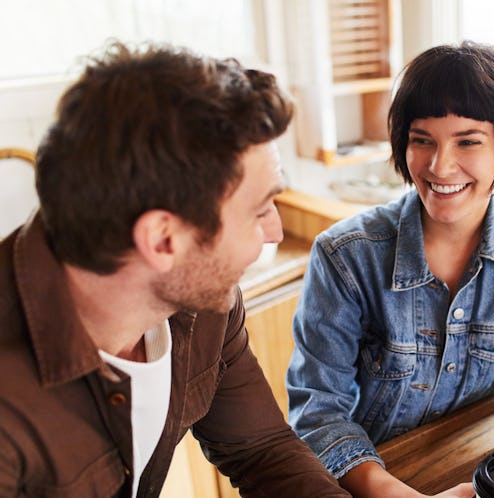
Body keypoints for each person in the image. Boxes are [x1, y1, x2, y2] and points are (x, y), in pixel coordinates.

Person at [0, 41, 349, 497]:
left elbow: (261, 450)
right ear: (164, 240)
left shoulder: (202, 298)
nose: (275, 233)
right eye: (260, 209)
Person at [286, 40, 494, 497]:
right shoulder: (344, 255)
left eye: (468, 141)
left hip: (488, 463)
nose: (439, 165)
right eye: (422, 140)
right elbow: (318, 411)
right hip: (372, 475)